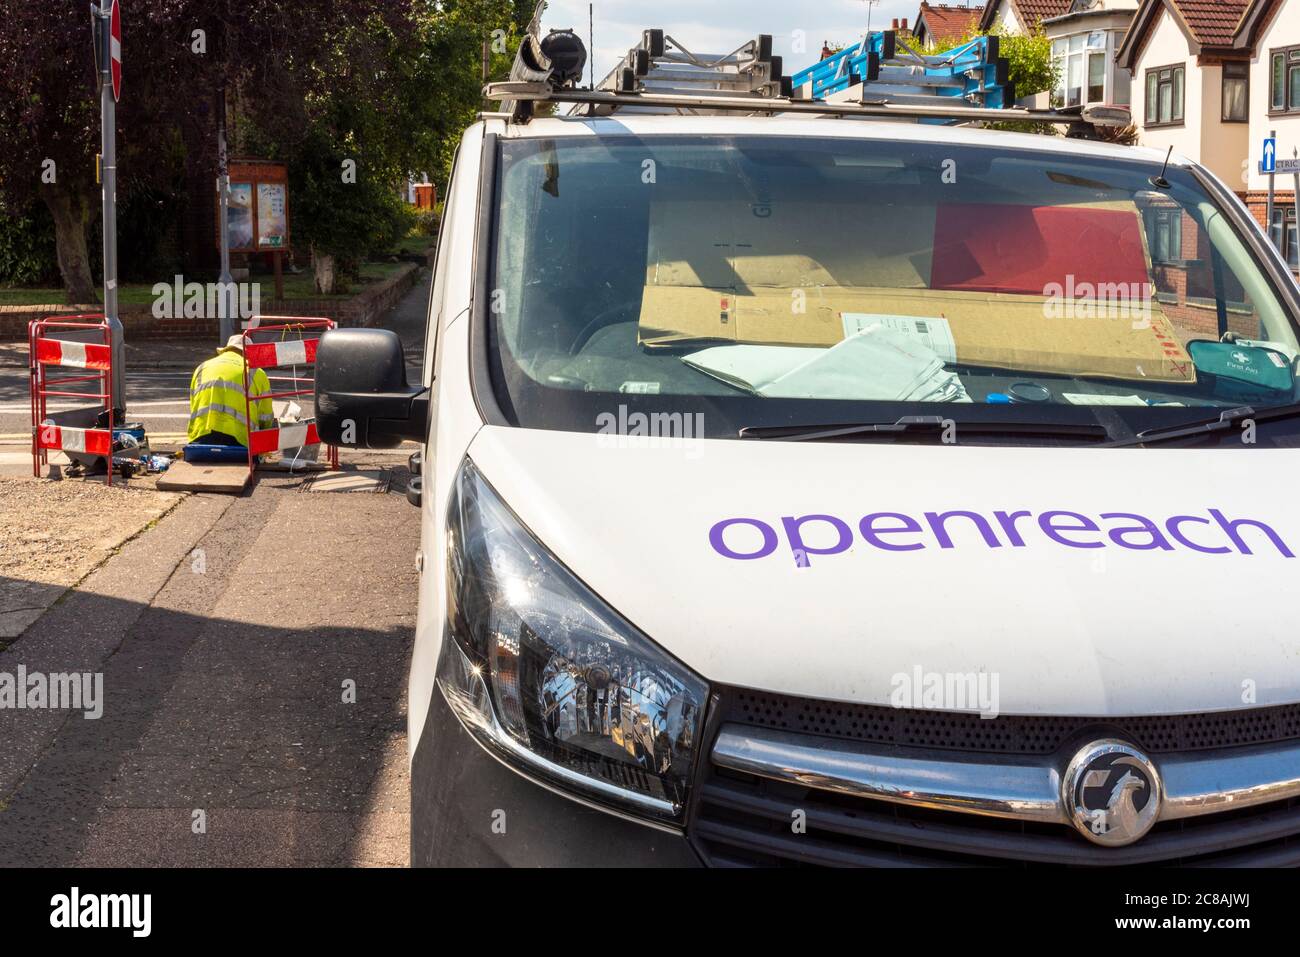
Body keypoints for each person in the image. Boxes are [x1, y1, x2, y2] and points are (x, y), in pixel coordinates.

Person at [187, 335, 275, 448]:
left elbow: (194, 404)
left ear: (227, 349)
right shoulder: (256, 372)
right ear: (249, 353)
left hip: (201, 437)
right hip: (241, 441)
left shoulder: (201, 368)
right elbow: (265, 418)